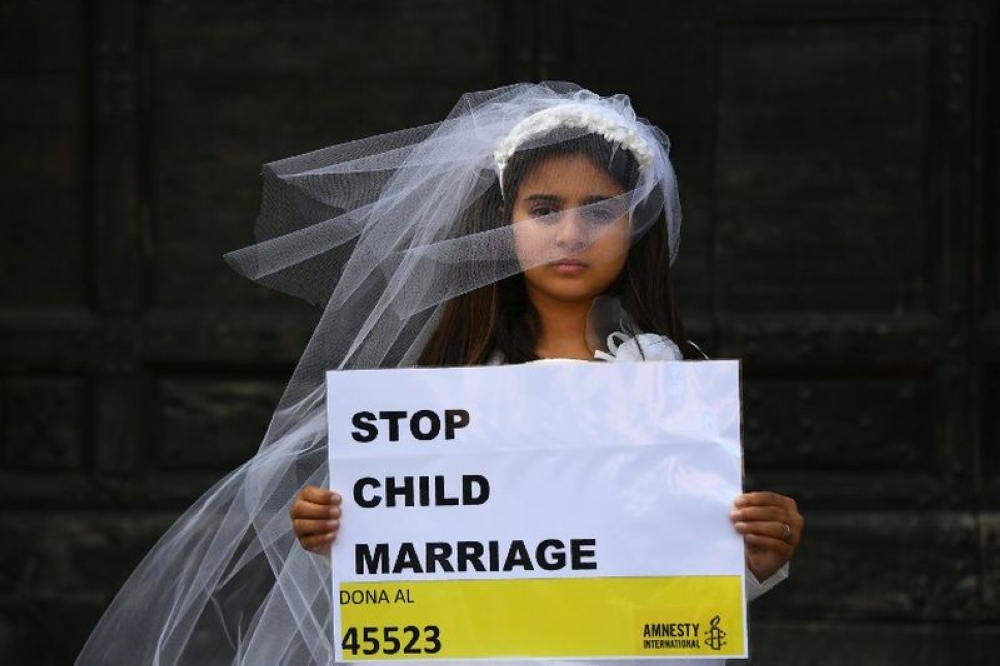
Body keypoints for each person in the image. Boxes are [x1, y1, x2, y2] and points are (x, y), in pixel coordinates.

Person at [77, 82, 802, 666]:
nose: (572, 234)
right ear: (502, 221)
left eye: (601, 211)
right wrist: (339, 531)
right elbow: (414, 565)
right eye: (544, 209)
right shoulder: (447, 386)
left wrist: (757, 557)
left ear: (637, 225)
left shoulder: (668, 378)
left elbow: (678, 572)